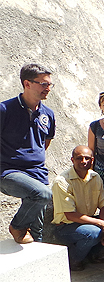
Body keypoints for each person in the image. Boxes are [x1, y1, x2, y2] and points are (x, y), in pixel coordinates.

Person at [0, 63, 55, 243]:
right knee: (43, 194)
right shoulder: (4, 110)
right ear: (27, 84)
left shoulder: (48, 114)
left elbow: (45, 142)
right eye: (43, 84)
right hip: (9, 171)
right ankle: (16, 226)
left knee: (37, 230)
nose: (48, 88)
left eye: (49, 84)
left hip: (37, 172)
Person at [52, 146, 104, 271]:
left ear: (92, 160)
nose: (84, 161)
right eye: (79, 158)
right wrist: (100, 223)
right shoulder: (62, 181)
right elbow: (70, 215)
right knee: (93, 233)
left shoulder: (95, 177)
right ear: (72, 160)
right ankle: (74, 258)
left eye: (87, 158)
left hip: (87, 221)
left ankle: (94, 253)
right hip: (66, 226)